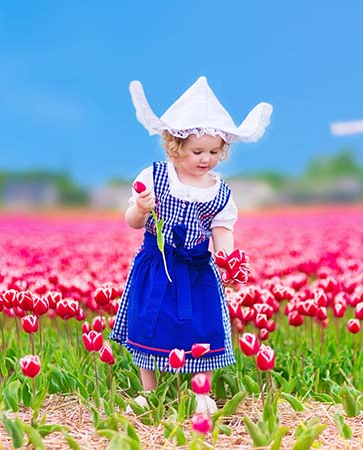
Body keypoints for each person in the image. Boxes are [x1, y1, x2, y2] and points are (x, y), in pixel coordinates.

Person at [110, 76, 272, 414]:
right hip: (157, 266)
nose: (206, 159)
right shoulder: (155, 176)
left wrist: (229, 262)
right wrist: (140, 208)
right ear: (175, 145)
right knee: (149, 322)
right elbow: (132, 221)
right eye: (198, 151)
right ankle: (149, 391)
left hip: (198, 270)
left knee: (202, 325)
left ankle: (202, 392)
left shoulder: (219, 191)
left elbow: (222, 234)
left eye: (214, 151)